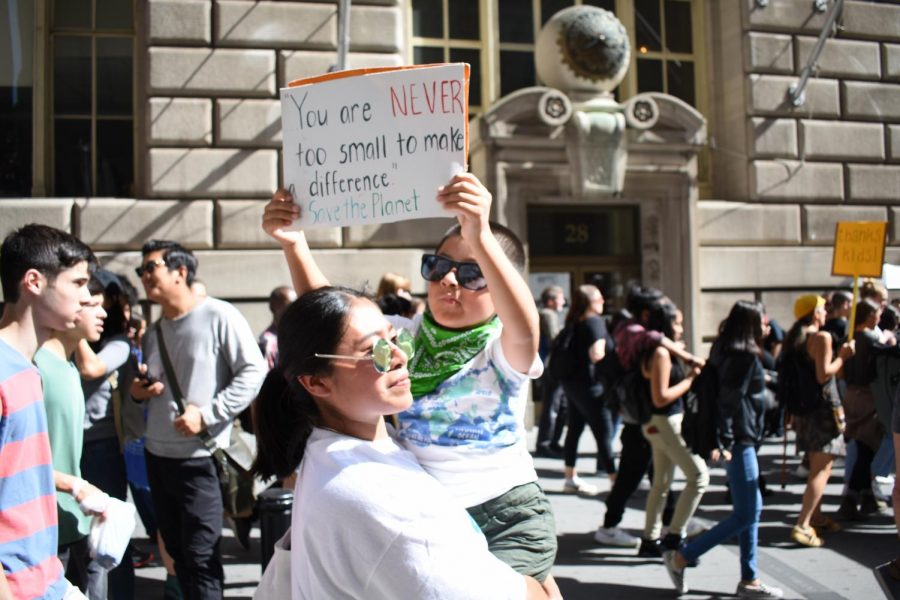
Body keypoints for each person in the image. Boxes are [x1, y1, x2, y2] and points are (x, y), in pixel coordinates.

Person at [263, 173, 561, 597]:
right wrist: (294, 244)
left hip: (507, 516)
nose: (449, 280)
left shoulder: (500, 348)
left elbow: (526, 329)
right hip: (435, 511)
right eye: (438, 266)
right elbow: (334, 327)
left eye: (473, 273)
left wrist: (479, 231)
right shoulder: (403, 334)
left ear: (499, 283)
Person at [252, 287, 550, 599]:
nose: (399, 356)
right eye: (374, 351)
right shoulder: (377, 496)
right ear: (316, 382)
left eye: (396, 339)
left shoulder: (345, 451)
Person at [129, 240, 266, 598]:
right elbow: (156, 382)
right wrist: (140, 391)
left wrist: (207, 415)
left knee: (201, 556)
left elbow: (253, 372)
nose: (144, 276)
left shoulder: (219, 315)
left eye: (151, 268)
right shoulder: (156, 330)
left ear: (181, 272)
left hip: (200, 459)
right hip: (157, 455)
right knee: (175, 552)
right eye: (141, 270)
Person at [662, 300, 784, 599]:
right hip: (739, 441)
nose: (768, 326)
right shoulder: (743, 356)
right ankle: (681, 557)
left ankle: (750, 580)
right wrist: (724, 441)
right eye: (763, 321)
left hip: (740, 439)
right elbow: (729, 401)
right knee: (747, 513)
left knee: (751, 512)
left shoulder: (725, 350)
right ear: (751, 325)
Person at [0, 224, 95, 599]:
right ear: (34, 282)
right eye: (78, 283)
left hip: (48, 581)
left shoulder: (28, 368)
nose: (87, 297)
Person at [36, 274, 115, 598]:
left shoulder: (66, 366)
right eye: (90, 303)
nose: (102, 313)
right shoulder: (34, 366)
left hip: (74, 522)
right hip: (44, 532)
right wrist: (73, 485)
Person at [639, 300, 708, 557]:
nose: (681, 327)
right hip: (666, 422)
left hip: (661, 424)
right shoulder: (661, 354)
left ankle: (650, 539)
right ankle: (675, 536)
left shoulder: (662, 351)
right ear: (666, 324)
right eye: (677, 322)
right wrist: (690, 379)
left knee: (661, 484)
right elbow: (661, 397)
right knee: (699, 477)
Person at [785, 294, 854, 548]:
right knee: (822, 469)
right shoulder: (822, 337)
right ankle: (803, 524)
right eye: (823, 309)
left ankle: (816, 515)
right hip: (823, 412)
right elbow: (823, 375)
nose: (826, 313)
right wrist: (843, 356)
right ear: (815, 312)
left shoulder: (795, 339)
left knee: (818, 465)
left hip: (806, 412)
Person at [558, 285, 616, 493]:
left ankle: (570, 477)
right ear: (590, 303)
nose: (603, 302)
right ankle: (614, 480)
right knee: (604, 431)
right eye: (599, 299)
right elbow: (597, 353)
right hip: (591, 386)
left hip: (573, 384)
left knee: (575, 428)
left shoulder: (574, 322)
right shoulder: (595, 322)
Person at [838, 298, 887, 520]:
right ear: (869, 316)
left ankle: (866, 496)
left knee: (863, 446)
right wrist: (887, 338)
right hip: (867, 396)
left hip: (851, 394)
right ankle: (852, 496)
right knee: (867, 448)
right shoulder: (869, 338)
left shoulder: (850, 338)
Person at [535, 285, 567, 458]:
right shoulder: (548, 315)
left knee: (558, 405)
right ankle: (546, 443)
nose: (563, 302)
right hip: (550, 366)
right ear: (551, 301)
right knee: (552, 405)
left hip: (551, 365)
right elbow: (555, 338)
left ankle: (552, 442)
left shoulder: (550, 315)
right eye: (560, 298)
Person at [258, 285, 297, 370]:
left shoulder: (295, 335)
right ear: (273, 307)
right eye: (290, 305)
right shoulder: (268, 341)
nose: (294, 309)